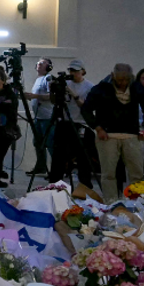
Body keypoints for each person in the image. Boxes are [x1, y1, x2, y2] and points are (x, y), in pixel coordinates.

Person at [83, 63, 144, 202]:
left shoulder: (136, 87)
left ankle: (136, 202)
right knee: (108, 173)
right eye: (119, 80)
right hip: (107, 135)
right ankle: (111, 202)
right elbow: (86, 109)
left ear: (131, 78)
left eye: (126, 80)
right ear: (113, 76)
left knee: (137, 172)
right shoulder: (101, 88)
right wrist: (98, 128)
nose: (123, 83)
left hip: (131, 134)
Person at [48, 60, 96, 189]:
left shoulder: (89, 87)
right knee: (59, 155)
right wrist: (52, 90)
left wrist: (73, 94)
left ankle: (85, 186)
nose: (72, 73)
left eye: (75, 71)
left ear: (83, 71)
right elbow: (54, 102)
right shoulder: (64, 83)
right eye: (70, 71)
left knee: (83, 157)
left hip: (80, 124)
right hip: (64, 122)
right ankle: (55, 184)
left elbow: (86, 107)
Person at [25, 58, 55, 175]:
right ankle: (41, 166)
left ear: (49, 67)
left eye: (42, 63)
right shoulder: (38, 79)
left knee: (50, 143)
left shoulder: (48, 78)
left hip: (47, 117)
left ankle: (55, 170)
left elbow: (50, 96)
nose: (39, 65)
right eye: (38, 63)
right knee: (38, 143)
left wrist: (35, 96)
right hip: (38, 117)